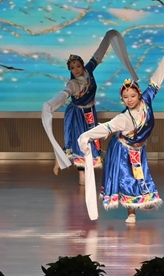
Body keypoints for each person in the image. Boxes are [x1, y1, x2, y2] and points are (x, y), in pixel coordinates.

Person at [77, 53, 164, 223]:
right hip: (122, 150)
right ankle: (131, 212)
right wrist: (86, 136)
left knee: (141, 174)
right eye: (125, 97)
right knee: (127, 178)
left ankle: (142, 200)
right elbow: (106, 128)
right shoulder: (123, 119)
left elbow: (157, 78)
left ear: (139, 94)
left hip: (138, 148)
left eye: (132, 96)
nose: (129, 100)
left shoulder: (147, 100)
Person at [41, 29, 136, 182]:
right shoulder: (72, 84)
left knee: (91, 139)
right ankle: (81, 172)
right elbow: (64, 94)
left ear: (82, 65)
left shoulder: (89, 71)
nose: (76, 70)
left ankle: (61, 160)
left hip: (90, 112)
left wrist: (108, 36)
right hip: (78, 115)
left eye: (78, 66)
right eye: (72, 68)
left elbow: (99, 54)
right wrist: (51, 104)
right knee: (80, 141)